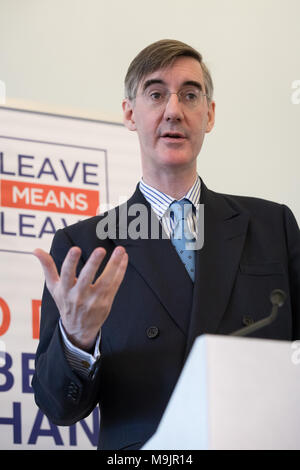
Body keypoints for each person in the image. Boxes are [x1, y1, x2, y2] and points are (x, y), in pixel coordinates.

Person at [32, 39, 300, 450]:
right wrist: (76, 339)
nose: (173, 110)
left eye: (190, 95)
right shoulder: (83, 247)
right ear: (129, 114)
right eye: (156, 94)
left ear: (209, 115)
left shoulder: (273, 225)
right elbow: (59, 408)